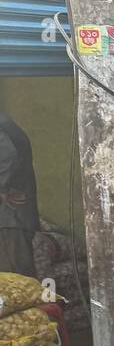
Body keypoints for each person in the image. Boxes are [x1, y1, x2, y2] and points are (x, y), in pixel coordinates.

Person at [0, 110, 39, 278]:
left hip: (9, 220)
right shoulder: (8, 124)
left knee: (13, 282)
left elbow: (8, 158)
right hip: (13, 218)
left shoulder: (3, 128)